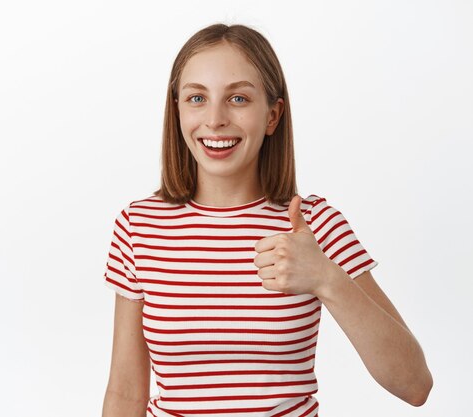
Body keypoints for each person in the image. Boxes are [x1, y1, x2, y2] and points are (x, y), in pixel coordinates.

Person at [101, 23, 433, 417]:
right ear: (177, 111)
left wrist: (326, 278)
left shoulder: (315, 226)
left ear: (272, 115)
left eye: (238, 98)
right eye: (196, 98)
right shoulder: (139, 226)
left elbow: (414, 384)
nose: (215, 119)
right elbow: (124, 392)